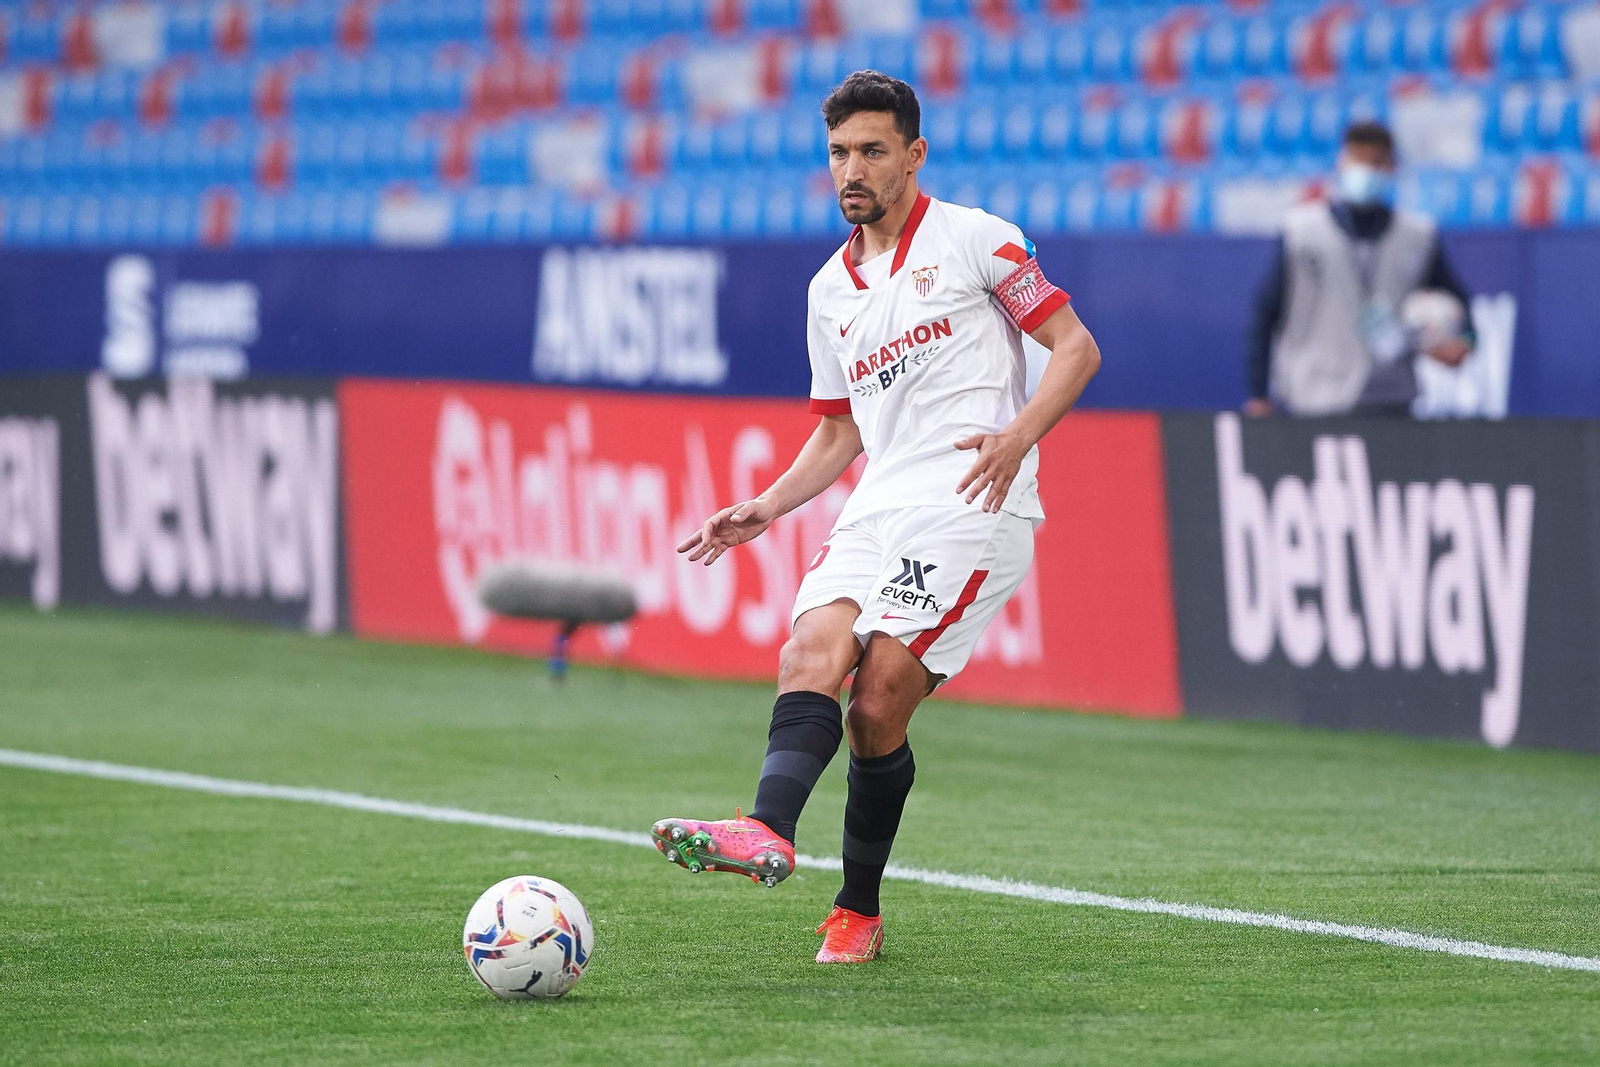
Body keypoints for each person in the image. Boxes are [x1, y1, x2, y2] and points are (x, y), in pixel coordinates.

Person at [650, 70, 1102, 963]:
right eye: (837, 152)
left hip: (974, 493)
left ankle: (857, 908)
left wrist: (1015, 437)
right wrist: (767, 506)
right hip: (882, 499)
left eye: (871, 150)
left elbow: (1075, 347)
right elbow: (840, 429)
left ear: (913, 154)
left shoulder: (979, 241)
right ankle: (765, 830)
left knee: (879, 696)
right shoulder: (830, 289)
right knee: (807, 653)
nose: (850, 168)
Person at [1245, 121, 1475, 418]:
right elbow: (1265, 313)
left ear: (1391, 167)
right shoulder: (1300, 231)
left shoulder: (1417, 236)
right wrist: (1258, 393)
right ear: (1342, 161)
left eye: (1376, 161)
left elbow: (1461, 305)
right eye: (1358, 159)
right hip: (1315, 394)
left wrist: (1464, 342)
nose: (1365, 170)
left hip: (1391, 397)